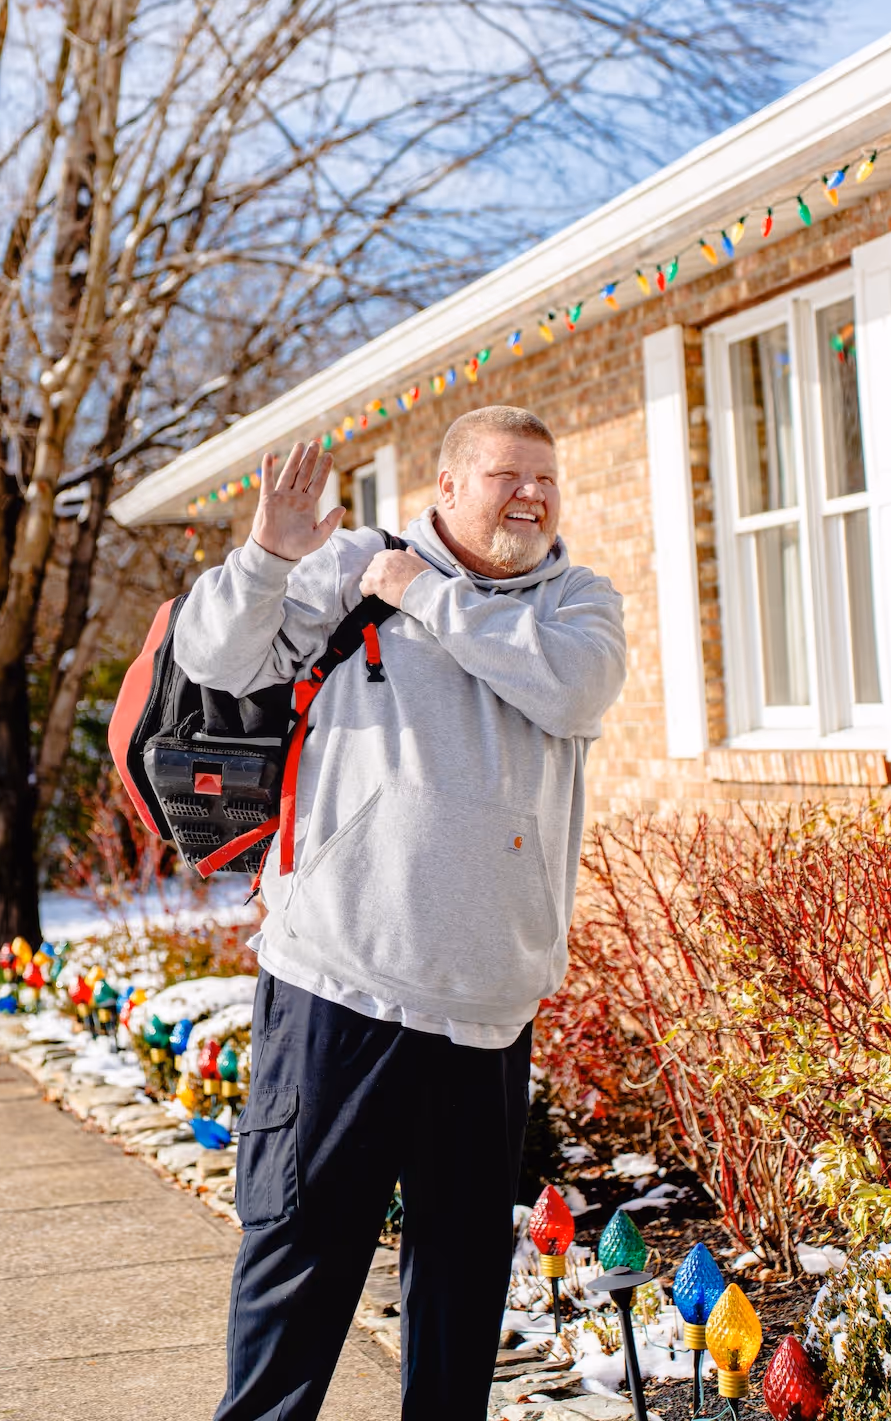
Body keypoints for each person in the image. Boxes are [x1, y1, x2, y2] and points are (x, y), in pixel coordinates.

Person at [174, 405, 626, 1421]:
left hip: (487, 1008)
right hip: (342, 983)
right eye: (509, 476)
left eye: (546, 480)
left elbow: (571, 688)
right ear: (448, 486)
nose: (533, 497)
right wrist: (264, 558)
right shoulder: (346, 563)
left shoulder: (576, 603)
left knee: (461, 1291)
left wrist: (426, 596)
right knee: (299, 1259)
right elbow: (216, 656)